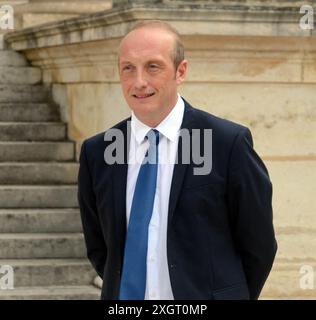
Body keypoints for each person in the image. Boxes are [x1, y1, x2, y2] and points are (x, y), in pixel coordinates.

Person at [78, 20, 277, 300]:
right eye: (128, 68)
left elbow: (259, 246)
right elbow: (99, 247)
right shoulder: (97, 152)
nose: (139, 82)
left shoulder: (226, 143)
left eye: (153, 66)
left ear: (180, 71)